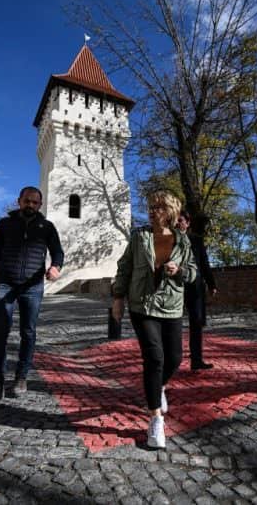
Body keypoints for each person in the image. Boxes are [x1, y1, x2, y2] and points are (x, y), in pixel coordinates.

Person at [112, 191, 197, 449]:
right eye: (150, 206)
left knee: (174, 359)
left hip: (171, 306)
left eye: (159, 207)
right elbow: (124, 267)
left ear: (170, 211)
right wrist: (118, 298)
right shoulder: (140, 237)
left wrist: (179, 270)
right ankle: (155, 420)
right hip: (142, 305)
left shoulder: (183, 240)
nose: (152, 210)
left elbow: (193, 273)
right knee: (154, 357)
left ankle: (157, 386)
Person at [0, 186, 64, 409]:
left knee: (28, 332)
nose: (30, 205)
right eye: (27, 201)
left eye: (35, 202)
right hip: (6, 284)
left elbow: (58, 251)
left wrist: (55, 267)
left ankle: (21, 376)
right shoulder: (5, 224)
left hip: (33, 287)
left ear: (40, 205)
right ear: (19, 201)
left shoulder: (47, 227)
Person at [176, 210, 217, 370]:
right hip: (176, 288)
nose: (178, 223)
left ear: (188, 223)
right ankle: (171, 360)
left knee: (197, 323)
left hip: (195, 287)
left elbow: (204, 264)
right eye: (176, 221)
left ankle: (196, 360)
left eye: (181, 221)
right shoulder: (169, 240)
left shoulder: (197, 241)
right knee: (173, 323)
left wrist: (212, 284)